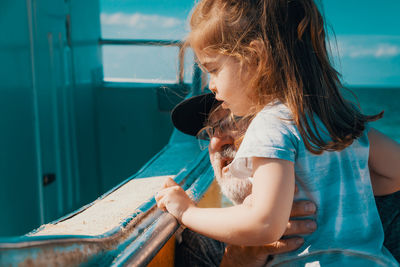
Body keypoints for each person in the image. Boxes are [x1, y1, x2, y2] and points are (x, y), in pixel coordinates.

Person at [156, 0, 400, 265]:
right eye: (212, 129)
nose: (212, 85)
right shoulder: (336, 119)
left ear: (255, 59)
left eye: (213, 69)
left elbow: (265, 223)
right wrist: (330, 185)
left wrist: (187, 212)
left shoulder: (269, 124)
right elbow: (394, 172)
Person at [171, 92, 400, 266]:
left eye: (241, 120)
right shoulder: (203, 236)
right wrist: (238, 260)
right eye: (211, 130)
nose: (218, 140)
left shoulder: (366, 209)